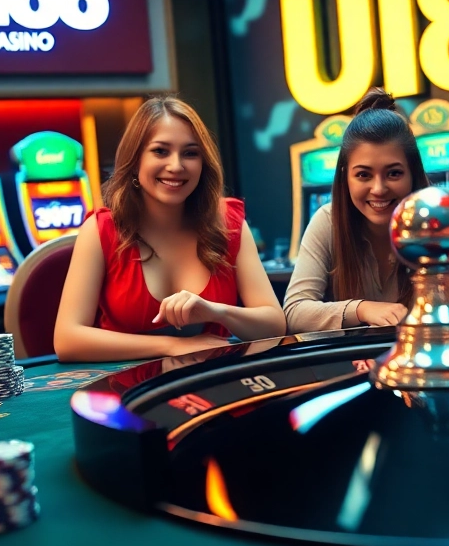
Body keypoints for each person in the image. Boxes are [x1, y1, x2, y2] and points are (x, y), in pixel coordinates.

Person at [54, 96, 285, 362]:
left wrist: (217, 312)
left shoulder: (229, 223)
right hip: (125, 390)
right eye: (160, 151)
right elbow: (67, 339)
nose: (176, 166)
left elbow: (274, 325)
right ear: (135, 159)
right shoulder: (101, 229)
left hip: (210, 382)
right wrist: (171, 346)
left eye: (190, 153)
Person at [284, 89, 449, 332]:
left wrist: (422, 317)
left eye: (394, 173)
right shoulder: (328, 221)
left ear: (412, 174)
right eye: (363, 175)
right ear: (345, 177)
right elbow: (296, 311)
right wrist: (361, 309)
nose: (379, 189)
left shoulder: (437, 218)